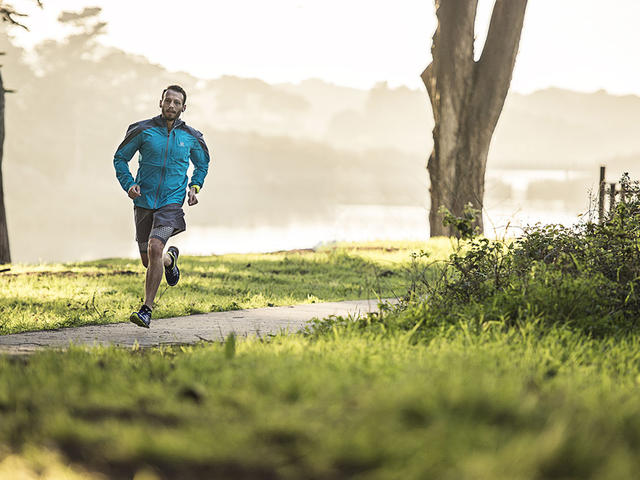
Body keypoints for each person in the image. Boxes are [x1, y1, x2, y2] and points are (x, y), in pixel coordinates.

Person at [113, 85, 211, 328]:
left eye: (176, 102)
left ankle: (146, 310)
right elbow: (120, 158)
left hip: (171, 201)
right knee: (149, 260)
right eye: (168, 101)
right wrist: (129, 184)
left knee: (155, 246)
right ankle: (170, 260)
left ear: (183, 107)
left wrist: (195, 186)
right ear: (160, 102)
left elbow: (202, 164)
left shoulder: (191, 136)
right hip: (144, 200)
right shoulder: (142, 130)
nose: (171, 105)